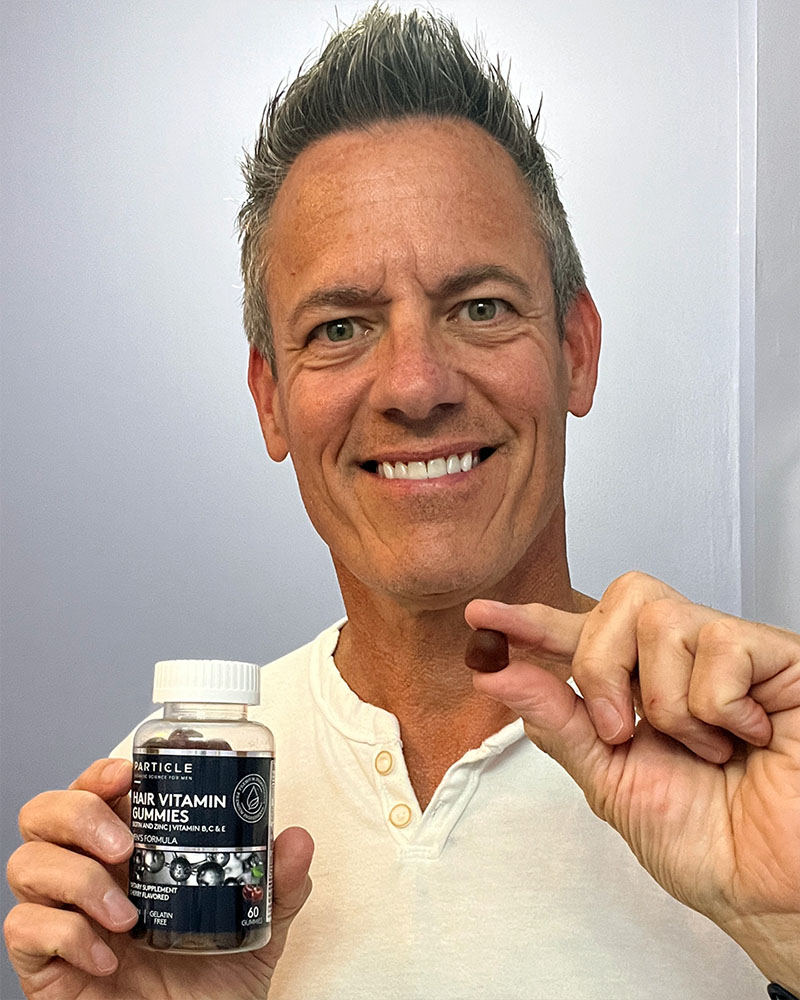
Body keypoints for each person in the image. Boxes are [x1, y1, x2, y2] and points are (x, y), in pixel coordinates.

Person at [4, 8, 799, 999]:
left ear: (575, 349)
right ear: (270, 397)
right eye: (340, 326)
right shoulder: (170, 817)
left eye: (479, 307)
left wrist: (788, 921)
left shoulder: (760, 773)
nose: (415, 384)